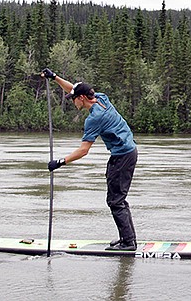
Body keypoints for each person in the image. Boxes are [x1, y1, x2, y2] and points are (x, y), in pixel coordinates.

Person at [41, 68, 138, 251]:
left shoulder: (94, 118)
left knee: (116, 201)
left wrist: (60, 162)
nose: (72, 102)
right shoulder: (101, 98)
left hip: (123, 156)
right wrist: (54, 78)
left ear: (82, 99)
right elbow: (74, 89)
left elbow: (84, 150)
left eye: (74, 99)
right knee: (118, 199)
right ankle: (127, 238)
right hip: (126, 152)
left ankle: (128, 243)